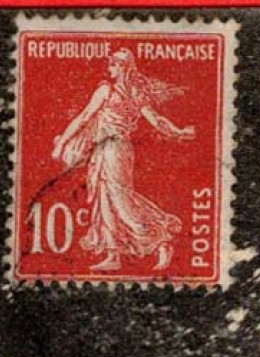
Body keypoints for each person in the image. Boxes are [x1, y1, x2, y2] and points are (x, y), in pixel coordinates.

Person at [51, 49, 195, 272]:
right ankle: (113, 253)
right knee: (105, 198)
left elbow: (84, 118)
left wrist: (62, 144)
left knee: (119, 199)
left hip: (114, 148)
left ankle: (160, 238)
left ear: (122, 67)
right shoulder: (131, 92)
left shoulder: (109, 90)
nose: (109, 68)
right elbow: (156, 120)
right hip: (108, 148)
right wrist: (177, 131)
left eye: (112, 64)